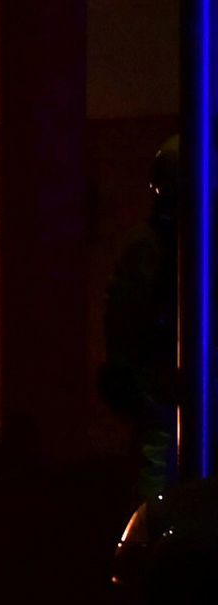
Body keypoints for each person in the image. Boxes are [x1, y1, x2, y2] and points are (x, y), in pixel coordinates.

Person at [100, 135, 179, 500]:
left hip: (157, 378)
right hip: (160, 377)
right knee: (157, 462)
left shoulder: (144, 243)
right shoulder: (152, 247)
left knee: (156, 461)